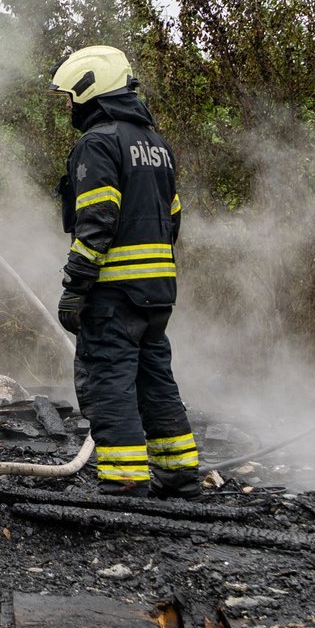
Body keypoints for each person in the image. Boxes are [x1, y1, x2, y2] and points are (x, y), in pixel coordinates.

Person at [49, 47, 198, 497]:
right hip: (156, 294)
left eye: (71, 97)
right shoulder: (157, 147)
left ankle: (123, 480)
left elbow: (96, 222)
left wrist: (76, 287)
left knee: (108, 381)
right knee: (155, 381)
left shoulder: (99, 143)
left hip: (112, 294)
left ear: (90, 90)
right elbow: (172, 220)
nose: (70, 107)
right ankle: (179, 475)